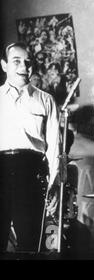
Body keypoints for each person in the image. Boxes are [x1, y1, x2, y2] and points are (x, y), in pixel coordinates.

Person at [0, 42, 60, 253]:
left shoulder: (46, 100)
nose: (24, 67)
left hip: (31, 175)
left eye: (28, 62)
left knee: (29, 242)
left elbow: (54, 148)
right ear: (4, 65)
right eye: (16, 61)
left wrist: (53, 186)